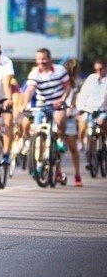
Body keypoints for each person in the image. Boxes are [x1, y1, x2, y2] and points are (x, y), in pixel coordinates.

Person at [20, 48, 72, 185]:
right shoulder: (34, 73)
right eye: (39, 59)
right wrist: (24, 105)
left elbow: (68, 86)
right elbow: (30, 90)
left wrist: (63, 99)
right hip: (42, 105)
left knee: (60, 119)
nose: (41, 62)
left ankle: (60, 140)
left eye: (44, 59)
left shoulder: (60, 70)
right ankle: (39, 160)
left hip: (57, 104)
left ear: (50, 59)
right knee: (38, 132)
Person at [61, 58, 83, 186]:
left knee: (72, 147)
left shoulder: (77, 84)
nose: (73, 72)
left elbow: (76, 99)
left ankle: (77, 174)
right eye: (71, 69)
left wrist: (73, 109)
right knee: (58, 147)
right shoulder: (60, 82)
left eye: (75, 70)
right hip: (59, 116)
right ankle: (57, 172)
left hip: (69, 118)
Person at [76, 58, 106, 145]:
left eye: (101, 69)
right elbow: (83, 94)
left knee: (101, 121)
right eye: (96, 69)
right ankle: (82, 143)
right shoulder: (91, 78)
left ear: (105, 68)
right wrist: (80, 109)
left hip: (103, 111)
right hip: (90, 110)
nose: (99, 71)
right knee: (82, 122)